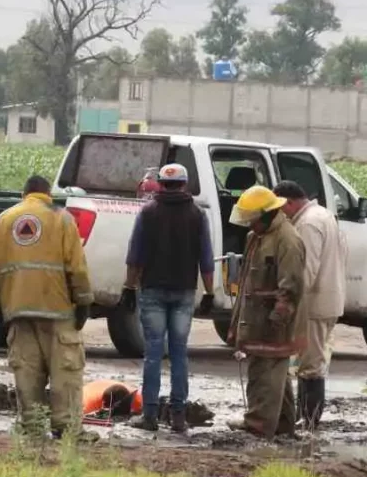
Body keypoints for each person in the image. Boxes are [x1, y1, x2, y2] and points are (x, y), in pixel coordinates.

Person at [0, 174, 94, 439]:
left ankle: (31, 426)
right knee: (65, 370)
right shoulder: (61, 218)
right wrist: (84, 302)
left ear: (25, 194)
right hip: (58, 310)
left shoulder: (4, 220)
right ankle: (66, 428)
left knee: (26, 371)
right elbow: (77, 267)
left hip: (18, 310)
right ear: (47, 194)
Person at [122, 163, 215, 433]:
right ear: (184, 185)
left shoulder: (148, 212)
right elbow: (206, 260)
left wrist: (129, 287)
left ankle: (149, 416)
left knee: (153, 353)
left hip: (152, 290)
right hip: (185, 292)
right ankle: (177, 417)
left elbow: (135, 256)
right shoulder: (197, 215)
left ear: (160, 184)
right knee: (179, 354)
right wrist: (209, 292)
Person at [226, 184, 306, 439]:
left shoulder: (288, 240)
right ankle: (283, 424)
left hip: (274, 321)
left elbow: (291, 286)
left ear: (268, 214)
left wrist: (279, 316)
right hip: (256, 317)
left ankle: (258, 426)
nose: (250, 225)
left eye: (253, 220)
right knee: (275, 373)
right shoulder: (256, 238)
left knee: (265, 372)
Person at [273, 180, 347, 431]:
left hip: (314, 303)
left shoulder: (307, 223)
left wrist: (290, 301)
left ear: (289, 202)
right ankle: (307, 417)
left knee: (310, 365)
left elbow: (306, 269)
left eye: (280, 208)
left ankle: (309, 420)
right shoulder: (324, 215)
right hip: (329, 298)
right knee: (312, 360)